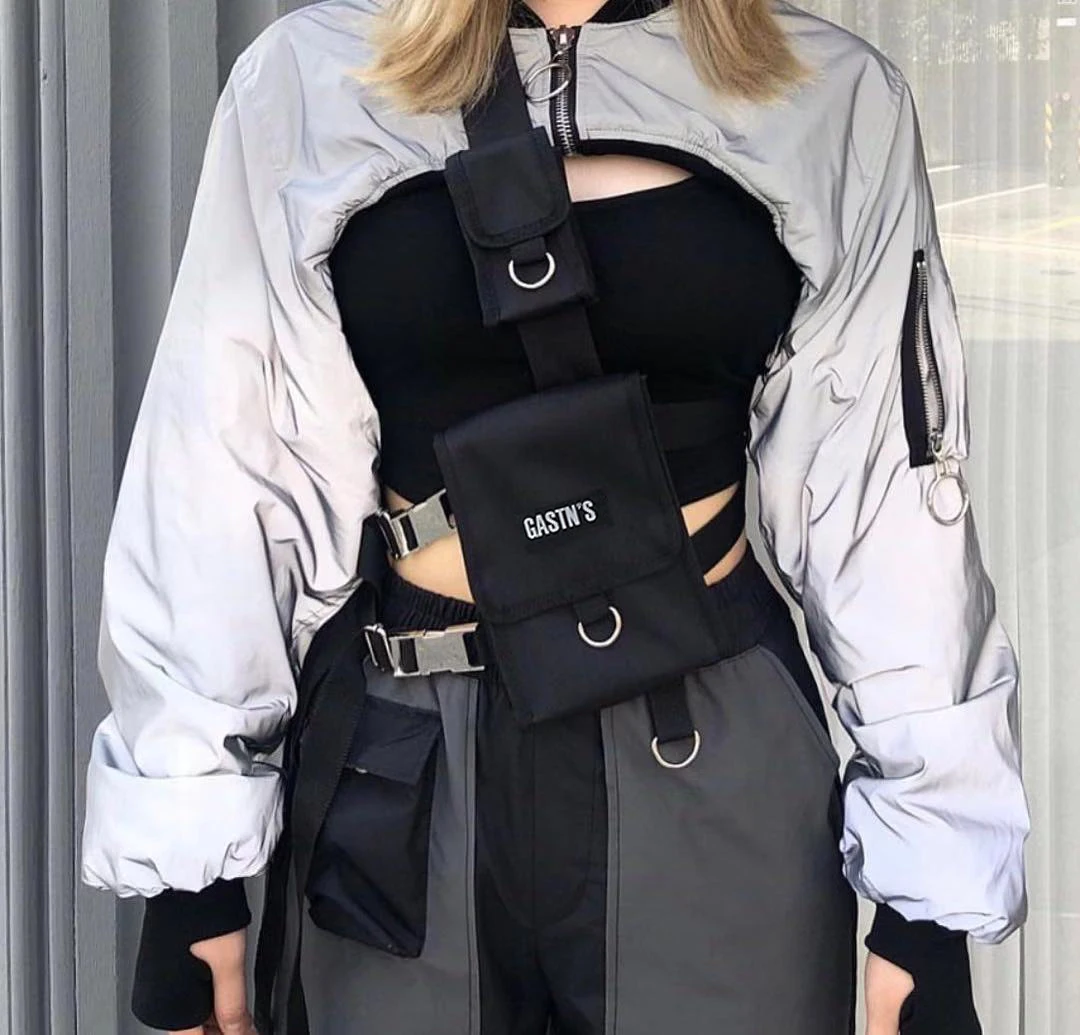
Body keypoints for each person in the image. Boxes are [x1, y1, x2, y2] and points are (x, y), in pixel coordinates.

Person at [79, 0, 1031, 1032]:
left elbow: (886, 501)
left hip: (710, 747)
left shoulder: (828, 93)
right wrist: (188, 868)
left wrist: (927, 902)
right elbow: (224, 471)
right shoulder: (310, 79)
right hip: (407, 752)